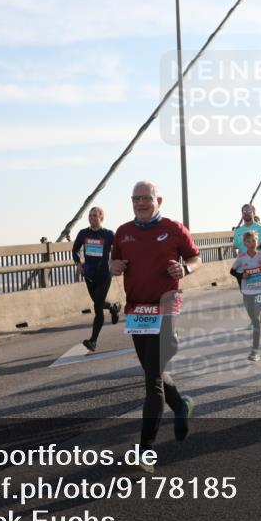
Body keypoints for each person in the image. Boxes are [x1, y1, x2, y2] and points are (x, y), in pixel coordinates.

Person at [110, 181, 200, 473]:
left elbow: (195, 258)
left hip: (166, 305)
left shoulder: (174, 228)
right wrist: (115, 267)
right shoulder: (123, 232)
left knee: (151, 381)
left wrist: (185, 269)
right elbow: (114, 261)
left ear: (158, 199)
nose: (139, 203)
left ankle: (145, 453)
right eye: (134, 198)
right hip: (137, 309)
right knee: (155, 373)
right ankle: (181, 407)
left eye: (145, 198)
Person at [73, 207, 121, 352]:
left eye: (94, 215)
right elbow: (74, 250)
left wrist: (115, 262)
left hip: (104, 275)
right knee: (97, 303)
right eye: (90, 215)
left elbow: (119, 248)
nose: (91, 218)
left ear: (101, 218)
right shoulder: (83, 233)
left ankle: (93, 341)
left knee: (97, 308)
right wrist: (79, 263)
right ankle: (113, 308)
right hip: (89, 276)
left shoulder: (108, 234)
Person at [229, 231, 261, 362]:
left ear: (257, 242)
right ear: (245, 243)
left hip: (260, 290)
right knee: (256, 318)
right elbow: (232, 271)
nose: (251, 244)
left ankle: (254, 351)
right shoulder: (242, 257)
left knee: (255, 320)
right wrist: (241, 276)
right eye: (248, 242)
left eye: (253, 241)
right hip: (247, 292)